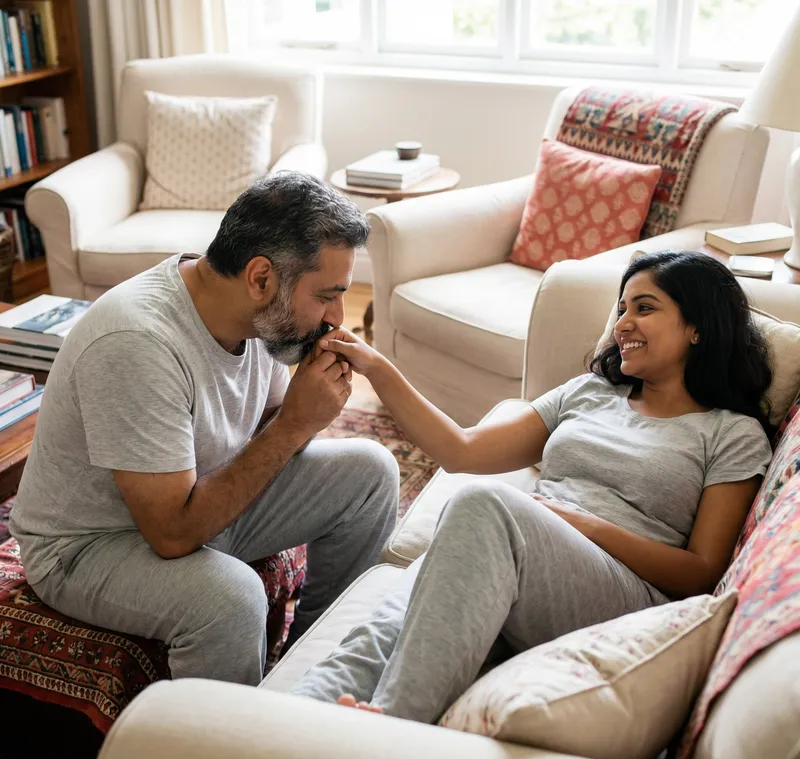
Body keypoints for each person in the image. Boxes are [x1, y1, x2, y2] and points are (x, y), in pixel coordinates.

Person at [291, 250, 773, 723]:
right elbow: (462, 450)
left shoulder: (732, 433)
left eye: (644, 308)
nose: (623, 323)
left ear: (697, 327)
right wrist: (375, 366)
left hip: (622, 592)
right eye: (622, 308)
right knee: (383, 629)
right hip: (528, 553)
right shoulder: (590, 391)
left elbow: (701, 572)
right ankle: (283, 730)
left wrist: (578, 522)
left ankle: (391, 726)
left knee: (484, 506)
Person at [10, 172, 400, 685]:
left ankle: (311, 672)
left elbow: (271, 434)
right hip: (92, 546)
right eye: (327, 295)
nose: (336, 317)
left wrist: (306, 411)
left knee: (372, 472)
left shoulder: (262, 317)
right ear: (260, 278)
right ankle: (217, 731)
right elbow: (171, 534)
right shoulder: (136, 341)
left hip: (200, 497)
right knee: (232, 599)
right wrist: (293, 425)